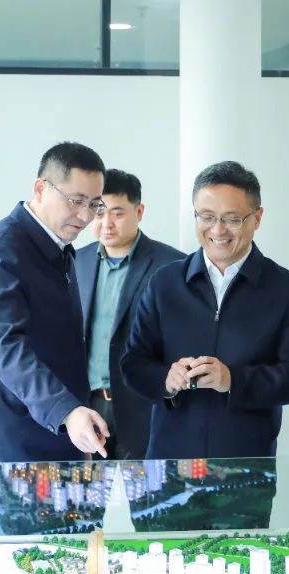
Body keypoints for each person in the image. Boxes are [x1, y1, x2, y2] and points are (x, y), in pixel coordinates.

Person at [120, 160, 289, 459]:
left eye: (232, 219)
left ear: (257, 218)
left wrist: (232, 380)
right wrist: (167, 379)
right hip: (169, 464)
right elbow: (134, 364)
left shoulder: (287, 290)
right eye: (207, 217)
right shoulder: (164, 283)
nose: (217, 230)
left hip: (246, 467)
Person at [0, 141, 110, 464]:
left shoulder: (59, 248)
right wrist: (66, 411)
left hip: (64, 437)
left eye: (94, 205)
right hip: (17, 448)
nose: (85, 216)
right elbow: (7, 347)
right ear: (41, 188)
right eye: (76, 201)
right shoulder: (0, 252)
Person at [75, 169, 185, 459]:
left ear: (139, 211)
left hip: (145, 410)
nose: (106, 223)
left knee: (146, 489)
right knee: (86, 489)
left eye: (117, 213)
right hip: (88, 409)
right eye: (99, 212)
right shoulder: (76, 261)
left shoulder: (172, 266)